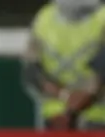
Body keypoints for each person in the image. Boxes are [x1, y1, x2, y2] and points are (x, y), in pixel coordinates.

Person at [24, 0, 105, 130]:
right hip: (93, 119)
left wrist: (64, 100)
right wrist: (72, 106)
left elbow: (33, 72)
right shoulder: (102, 17)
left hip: (57, 120)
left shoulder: (44, 17)